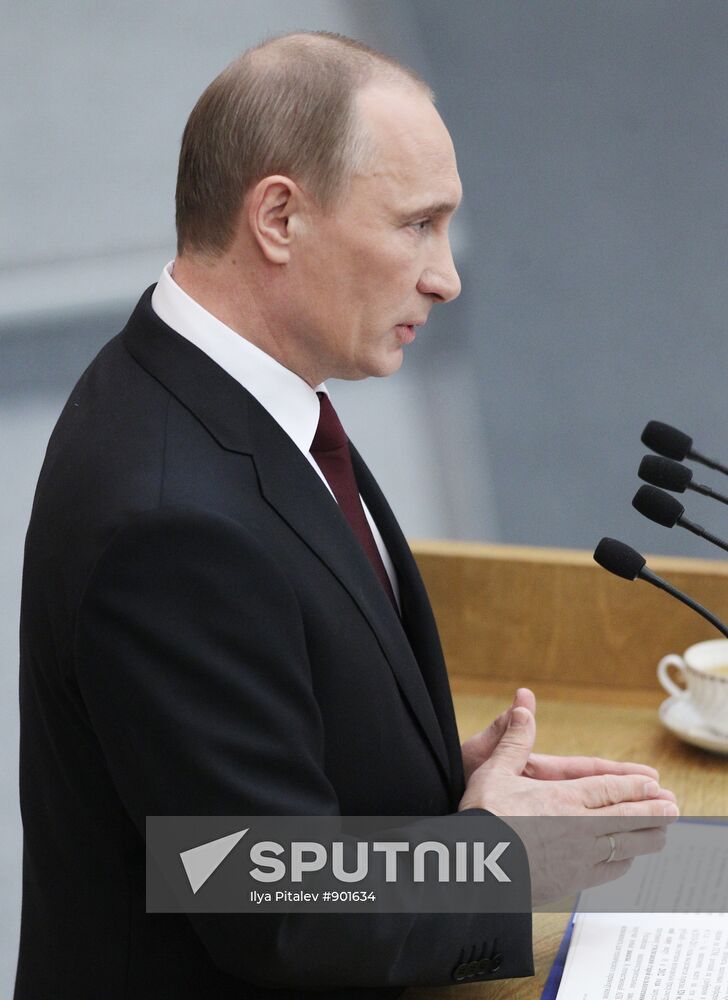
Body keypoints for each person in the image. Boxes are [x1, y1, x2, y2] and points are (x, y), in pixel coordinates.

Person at [15, 31, 677, 999]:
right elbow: (265, 900)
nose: (445, 276)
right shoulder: (164, 515)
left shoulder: (216, 394)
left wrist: (429, 778)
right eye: (416, 225)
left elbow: (229, 766)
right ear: (278, 216)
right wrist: (499, 855)